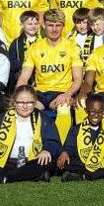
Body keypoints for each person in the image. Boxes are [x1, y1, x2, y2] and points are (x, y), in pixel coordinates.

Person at [16, 8, 84, 140]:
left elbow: (78, 79)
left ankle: (61, 148)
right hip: (40, 93)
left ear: (63, 26)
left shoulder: (72, 47)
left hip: (62, 93)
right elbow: (24, 76)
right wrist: (19, 95)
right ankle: (30, 146)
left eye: (58, 25)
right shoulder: (35, 47)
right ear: (44, 25)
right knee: (23, 107)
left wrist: (67, 94)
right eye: (50, 25)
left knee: (63, 108)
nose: (54, 29)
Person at [0, 85, 63, 184]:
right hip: (7, 161)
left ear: (35, 103)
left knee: (48, 162)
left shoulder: (44, 119)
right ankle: (34, 176)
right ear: (14, 103)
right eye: (21, 102)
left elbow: (53, 141)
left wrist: (47, 150)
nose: (25, 106)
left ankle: (4, 178)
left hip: (33, 160)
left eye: (29, 103)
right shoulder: (1, 119)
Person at [57, 95, 104, 182]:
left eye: (100, 112)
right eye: (92, 112)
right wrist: (65, 152)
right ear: (86, 111)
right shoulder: (76, 129)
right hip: (82, 161)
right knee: (64, 162)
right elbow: (69, 146)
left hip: (101, 160)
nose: (96, 115)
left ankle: (82, 176)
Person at [5, 10, 39, 89]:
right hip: (22, 79)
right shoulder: (16, 43)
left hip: (40, 80)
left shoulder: (43, 41)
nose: (33, 26)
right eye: (30, 24)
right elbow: (11, 63)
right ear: (22, 24)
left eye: (36, 24)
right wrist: (26, 63)